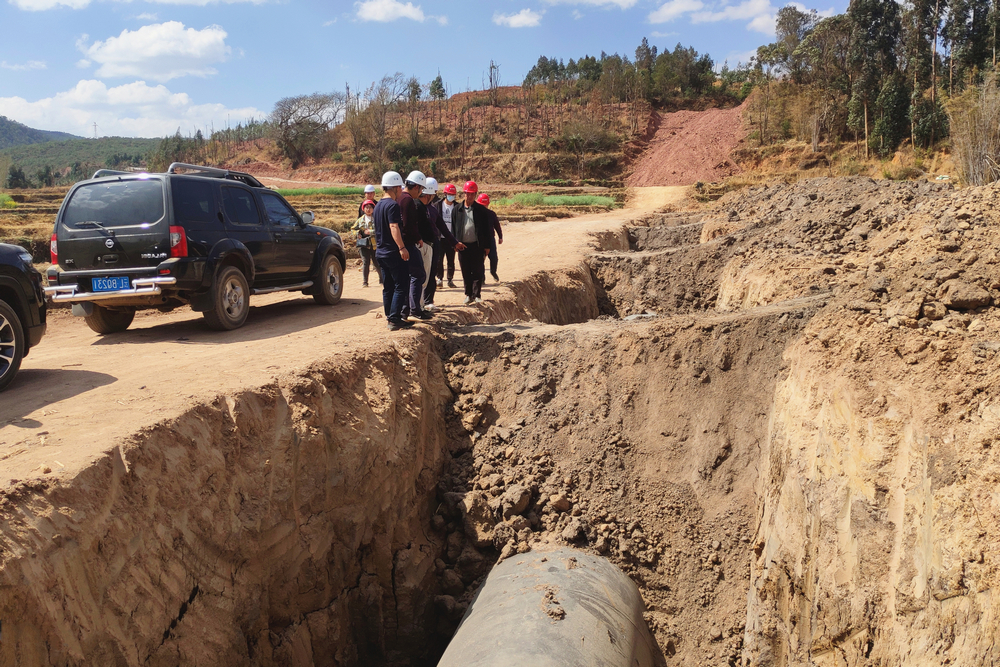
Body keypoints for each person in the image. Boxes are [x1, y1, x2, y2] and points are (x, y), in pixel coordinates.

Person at [373, 171, 413, 331]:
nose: (401, 191)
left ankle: (390, 316)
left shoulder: (377, 206)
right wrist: (402, 247)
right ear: (395, 187)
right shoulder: (392, 205)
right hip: (392, 252)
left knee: (388, 286)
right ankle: (395, 318)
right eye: (400, 188)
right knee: (401, 285)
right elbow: (394, 226)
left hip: (381, 252)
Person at [420, 177, 464, 310]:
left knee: (431, 274)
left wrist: (455, 242)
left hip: (433, 245)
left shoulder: (432, 209)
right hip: (421, 246)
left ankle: (427, 302)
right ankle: (417, 305)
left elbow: (443, 227)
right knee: (421, 276)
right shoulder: (417, 207)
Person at [453, 180, 495, 304]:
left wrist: (487, 246)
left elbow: (487, 230)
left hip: (477, 246)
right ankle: (468, 294)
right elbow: (453, 228)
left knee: (478, 271)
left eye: (472, 194)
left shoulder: (481, 211)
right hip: (462, 246)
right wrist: (454, 243)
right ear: (464, 194)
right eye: (468, 193)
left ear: (475, 194)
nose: (470, 196)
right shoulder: (457, 210)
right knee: (465, 271)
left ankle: (477, 295)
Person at [399, 170, 431, 321]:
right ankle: (414, 309)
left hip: (402, 244)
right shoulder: (408, 201)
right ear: (416, 187)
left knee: (409, 277)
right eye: (421, 189)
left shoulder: (400, 198)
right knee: (418, 274)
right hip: (408, 244)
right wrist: (418, 238)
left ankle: (408, 309)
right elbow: (408, 225)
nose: (421, 192)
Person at [352, 199, 381, 287]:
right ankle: (365, 282)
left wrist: (371, 232)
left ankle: (382, 279)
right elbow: (353, 229)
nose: (368, 209)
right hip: (364, 245)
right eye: (366, 207)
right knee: (365, 262)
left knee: (377, 263)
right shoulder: (360, 220)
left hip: (374, 244)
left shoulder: (377, 219)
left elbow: (380, 229)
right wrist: (357, 233)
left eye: (370, 207)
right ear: (363, 209)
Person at [435, 183, 459, 288]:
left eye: (453, 195)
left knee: (451, 260)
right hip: (440, 238)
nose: (451, 196)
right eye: (449, 194)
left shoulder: (458, 207)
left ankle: (450, 280)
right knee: (439, 260)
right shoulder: (437, 205)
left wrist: (457, 239)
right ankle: (439, 279)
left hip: (451, 239)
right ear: (445, 194)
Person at [476, 192, 503, 282]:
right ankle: (482, 278)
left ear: (488, 204)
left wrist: (500, 236)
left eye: (485, 205)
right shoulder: (475, 215)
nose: (483, 207)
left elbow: (497, 226)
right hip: (480, 240)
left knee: (494, 257)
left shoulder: (491, 214)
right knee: (480, 260)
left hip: (490, 239)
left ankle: (493, 272)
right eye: (481, 205)